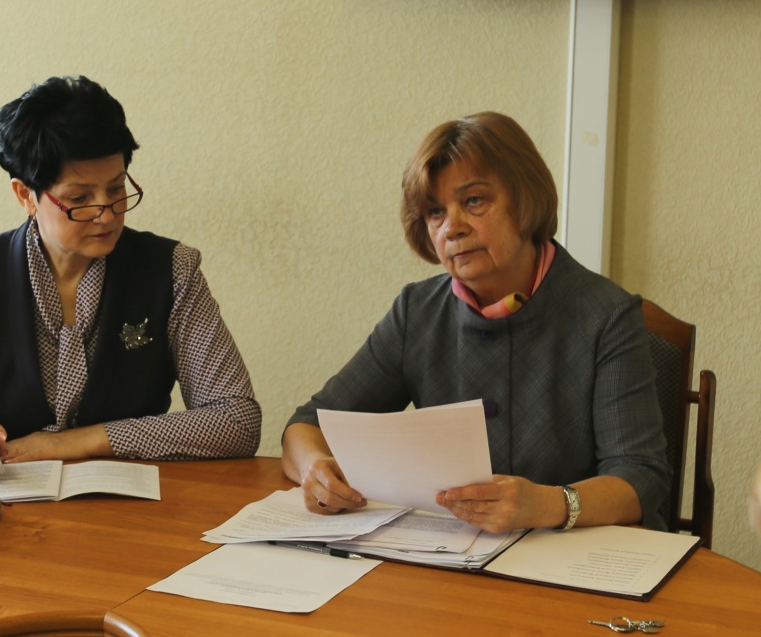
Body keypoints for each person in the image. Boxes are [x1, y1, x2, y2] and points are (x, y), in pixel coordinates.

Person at [282, 111, 671, 533]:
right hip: (453, 553)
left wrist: (546, 504)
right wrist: (314, 467)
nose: (452, 228)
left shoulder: (607, 315)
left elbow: (640, 478)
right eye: (435, 212)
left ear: (525, 199)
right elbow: (306, 425)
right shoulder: (417, 312)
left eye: (473, 201)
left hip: (571, 555)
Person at [0, 75, 261, 475]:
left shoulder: (172, 270)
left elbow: (237, 420)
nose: (106, 214)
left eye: (116, 189)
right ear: (25, 195)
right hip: (8, 498)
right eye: (79, 198)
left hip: (132, 502)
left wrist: (73, 443)